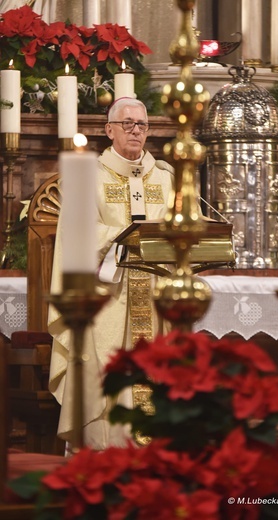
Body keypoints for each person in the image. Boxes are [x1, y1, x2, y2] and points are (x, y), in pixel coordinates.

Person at [48, 98, 174, 451]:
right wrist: (123, 241)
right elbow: (78, 233)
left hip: (153, 293)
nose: (136, 131)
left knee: (157, 366)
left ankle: (156, 449)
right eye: (128, 124)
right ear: (109, 130)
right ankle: (106, 450)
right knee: (103, 362)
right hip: (107, 293)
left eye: (142, 125)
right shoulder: (90, 177)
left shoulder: (164, 178)